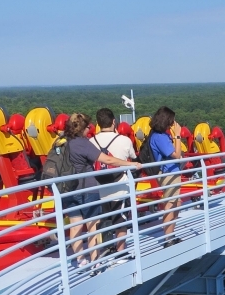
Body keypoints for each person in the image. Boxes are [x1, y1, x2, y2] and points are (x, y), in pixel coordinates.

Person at [61, 113, 138, 267]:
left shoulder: (63, 142)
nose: (89, 130)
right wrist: (130, 164)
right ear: (82, 128)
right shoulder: (82, 143)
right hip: (87, 188)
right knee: (92, 226)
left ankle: (80, 260)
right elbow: (107, 159)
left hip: (68, 188)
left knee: (75, 225)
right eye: (87, 127)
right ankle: (95, 261)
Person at [90, 108, 138, 253]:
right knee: (120, 222)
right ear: (114, 122)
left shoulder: (91, 141)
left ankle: (103, 249)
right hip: (120, 187)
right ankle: (120, 251)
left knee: (102, 221)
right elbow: (133, 157)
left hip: (99, 188)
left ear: (98, 124)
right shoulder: (124, 140)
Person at [146, 107, 183, 245]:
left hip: (170, 172)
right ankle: (168, 238)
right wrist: (178, 136)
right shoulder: (160, 137)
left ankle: (171, 234)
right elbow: (177, 155)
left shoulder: (157, 135)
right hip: (168, 173)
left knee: (176, 203)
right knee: (170, 204)